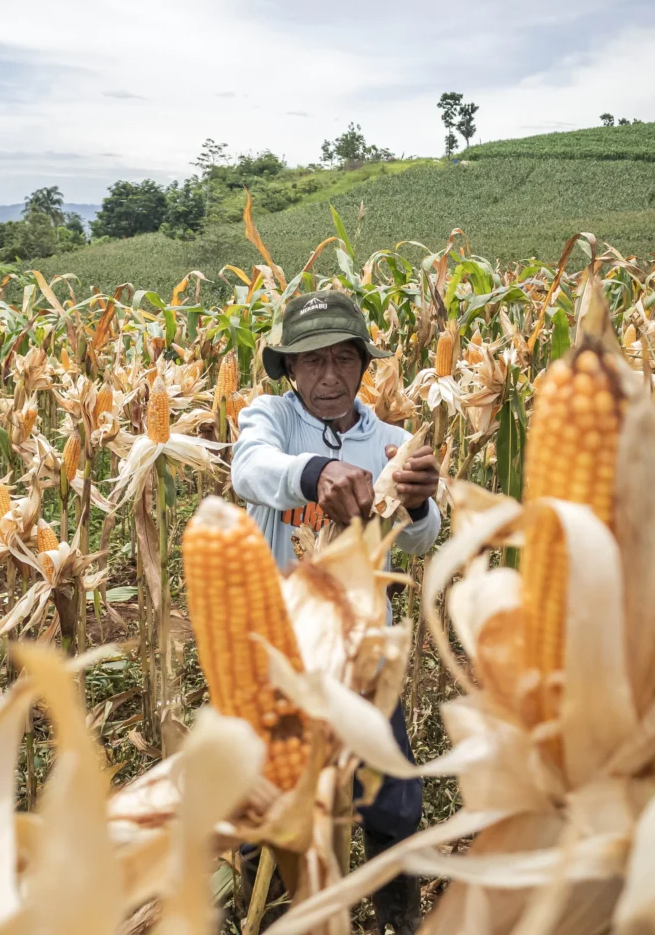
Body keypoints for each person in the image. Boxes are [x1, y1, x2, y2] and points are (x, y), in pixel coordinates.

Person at [230, 290, 441, 934]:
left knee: (391, 792)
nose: (329, 376)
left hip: (364, 648)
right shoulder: (268, 418)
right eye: (312, 361)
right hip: (282, 645)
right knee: (269, 794)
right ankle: (263, 907)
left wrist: (418, 504)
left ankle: (395, 914)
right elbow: (250, 470)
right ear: (290, 368)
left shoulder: (392, 442)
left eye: (343, 359)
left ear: (363, 365)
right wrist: (316, 472)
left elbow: (420, 540)